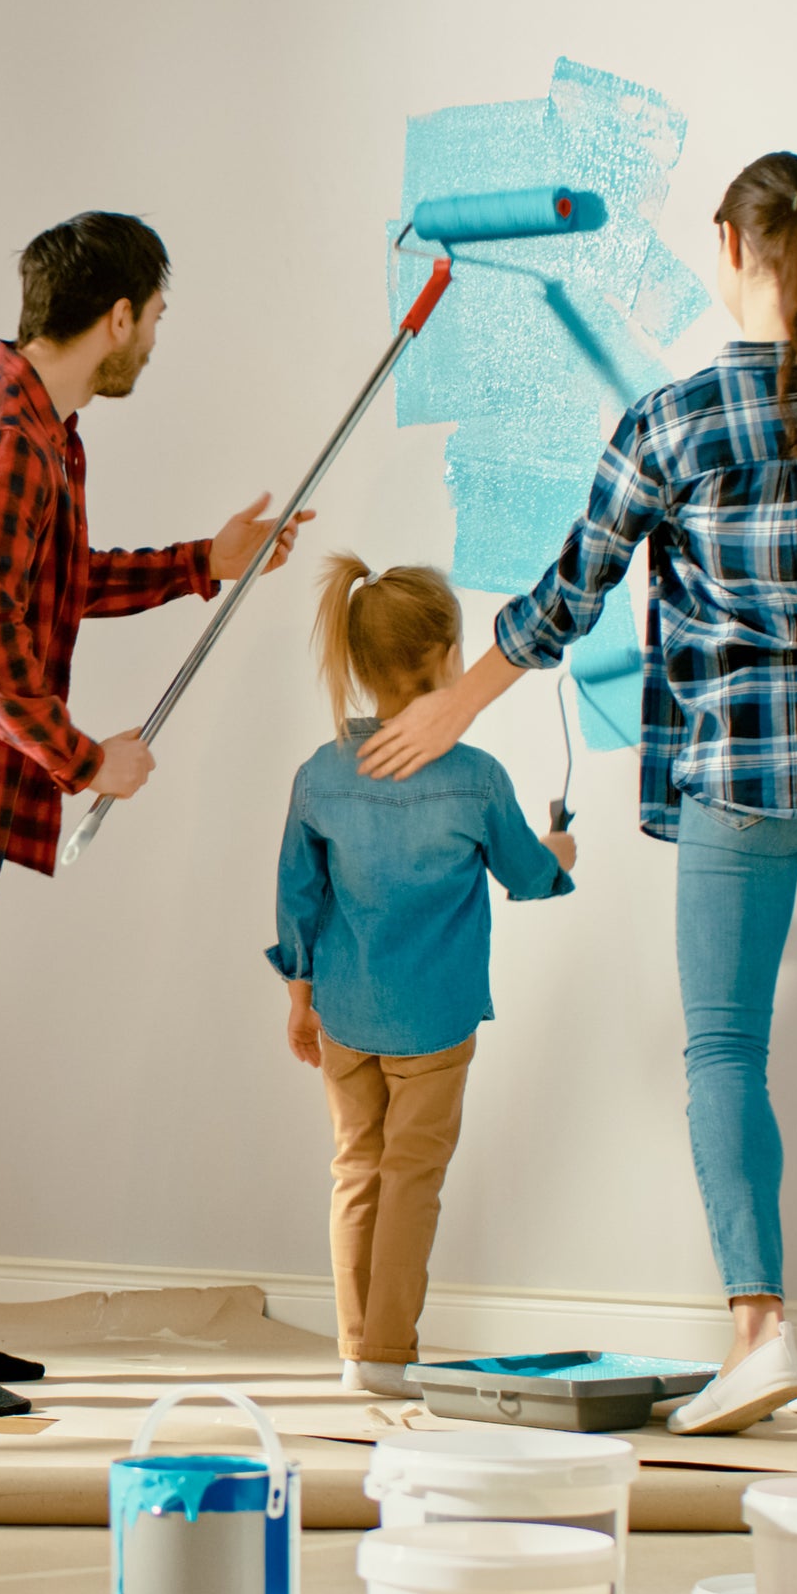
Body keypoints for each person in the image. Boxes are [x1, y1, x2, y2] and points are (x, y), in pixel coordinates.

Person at [354, 152, 797, 1434]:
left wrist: (453, 704)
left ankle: (760, 1335)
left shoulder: (675, 422)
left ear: (730, 249)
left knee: (724, 1047)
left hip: (748, 763)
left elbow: (566, 596)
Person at [0, 211, 309, 1418]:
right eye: (159, 318)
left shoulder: (41, 432)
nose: (157, 342)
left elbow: (50, 583)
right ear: (119, 315)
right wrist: (88, 760)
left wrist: (204, 560)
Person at [269, 555, 575, 1396]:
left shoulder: (321, 775)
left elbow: (298, 900)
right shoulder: (476, 780)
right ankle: (387, 1356)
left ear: (362, 667)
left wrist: (300, 998)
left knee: (354, 1170)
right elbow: (527, 875)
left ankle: (353, 1348)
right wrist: (560, 854)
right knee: (411, 1179)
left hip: (344, 1012)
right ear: (447, 662)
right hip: (435, 1022)